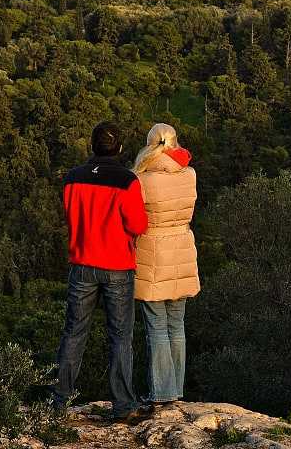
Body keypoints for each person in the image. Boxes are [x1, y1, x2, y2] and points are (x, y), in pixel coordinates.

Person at [52, 121, 149, 421]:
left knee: (74, 333)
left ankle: (59, 403)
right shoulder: (127, 181)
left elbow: (70, 216)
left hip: (82, 264)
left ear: (91, 146)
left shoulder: (72, 179)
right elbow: (137, 225)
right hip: (117, 265)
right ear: (120, 148)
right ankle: (122, 406)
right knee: (120, 337)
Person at [132, 123, 199, 405]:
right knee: (177, 324)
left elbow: (136, 220)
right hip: (182, 249)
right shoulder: (189, 175)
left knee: (156, 326)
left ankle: (162, 392)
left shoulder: (141, 179)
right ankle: (177, 390)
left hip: (152, 252)